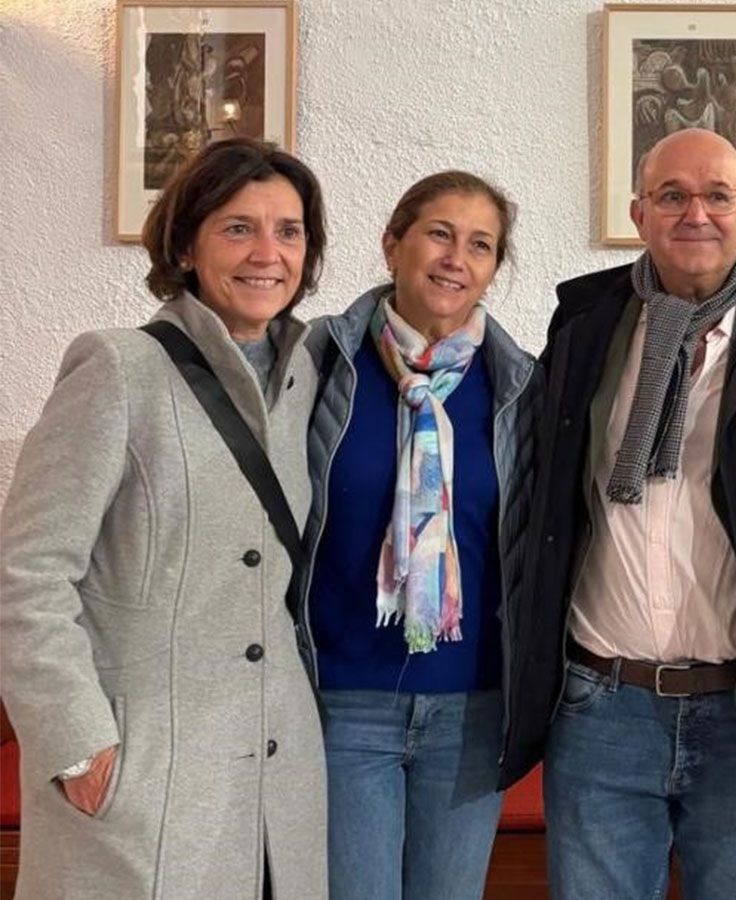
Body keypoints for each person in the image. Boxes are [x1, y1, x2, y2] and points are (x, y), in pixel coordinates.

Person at [499, 127, 736, 900]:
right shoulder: (584, 324)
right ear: (638, 212)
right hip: (600, 708)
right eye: (671, 195)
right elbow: (544, 496)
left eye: (716, 196)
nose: (694, 213)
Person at [0, 136, 328, 899]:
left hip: (280, 775)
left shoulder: (309, 375)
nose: (267, 253)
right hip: (150, 771)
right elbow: (28, 572)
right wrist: (76, 744)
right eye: (238, 227)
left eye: (290, 230)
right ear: (186, 244)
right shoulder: (118, 369)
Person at [297, 171, 540, 900]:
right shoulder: (317, 362)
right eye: (439, 233)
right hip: (344, 705)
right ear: (393, 243)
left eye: (480, 245)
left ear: (495, 269)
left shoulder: (519, 385)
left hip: (472, 710)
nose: (455, 259)